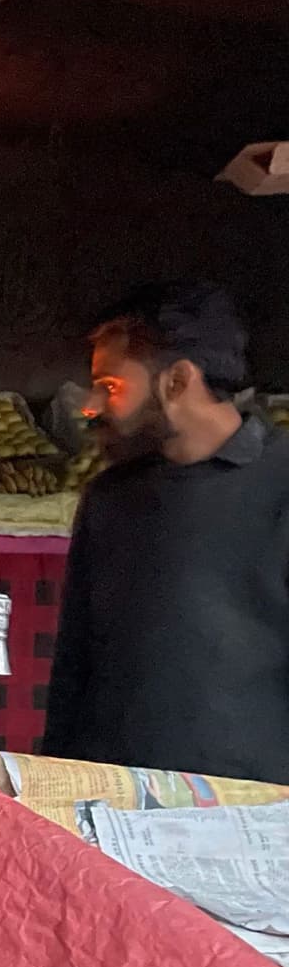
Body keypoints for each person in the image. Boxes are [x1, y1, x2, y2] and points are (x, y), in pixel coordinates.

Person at [46, 280, 289, 784]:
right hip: (113, 800)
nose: (91, 407)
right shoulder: (109, 500)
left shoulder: (282, 484)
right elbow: (74, 666)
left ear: (177, 381)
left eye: (111, 386)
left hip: (253, 806)